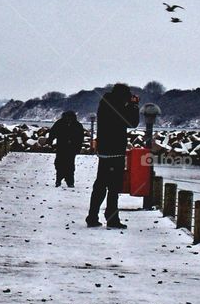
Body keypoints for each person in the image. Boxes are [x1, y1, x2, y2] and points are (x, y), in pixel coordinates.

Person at [87, 83, 140, 229]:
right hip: (115, 151)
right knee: (113, 187)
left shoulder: (105, 103)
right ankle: (112, 218)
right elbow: (132, 122)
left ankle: (92, 216)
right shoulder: (117, 105)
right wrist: (134, 106)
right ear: (123, 95)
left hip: (104, 150)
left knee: (100, 185)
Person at [47, 110, 85, 187]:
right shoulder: (60, 123)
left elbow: (80, 138)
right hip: (62, 147)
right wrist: (50, 141)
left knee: (68, 165)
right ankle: (60, 180)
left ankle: (69, 181)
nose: (69, 119)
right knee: (60, 164)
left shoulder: (77, 125)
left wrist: (78, 147)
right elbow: (53, 133)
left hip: (70, 148)